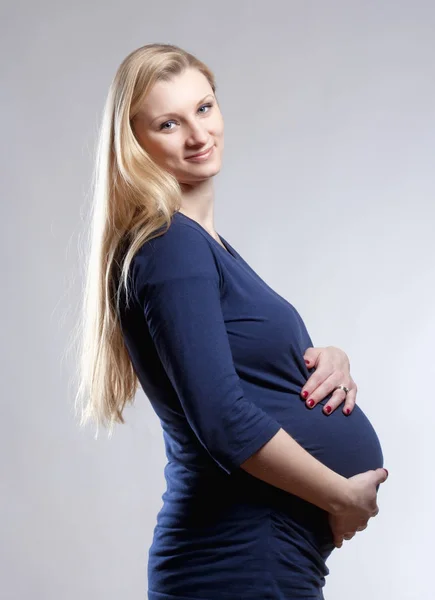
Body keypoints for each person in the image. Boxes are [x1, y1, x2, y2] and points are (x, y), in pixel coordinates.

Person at [75, 43, 389, 599]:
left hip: (266, 555)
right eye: (169, 123)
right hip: (237, 559)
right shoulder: (171, 247)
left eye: (204, 108)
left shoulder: (201, 246)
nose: (198, 136)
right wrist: (340, 496)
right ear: (135, 143)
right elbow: (222, 418)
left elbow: (247, 368)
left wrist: (325, 355)